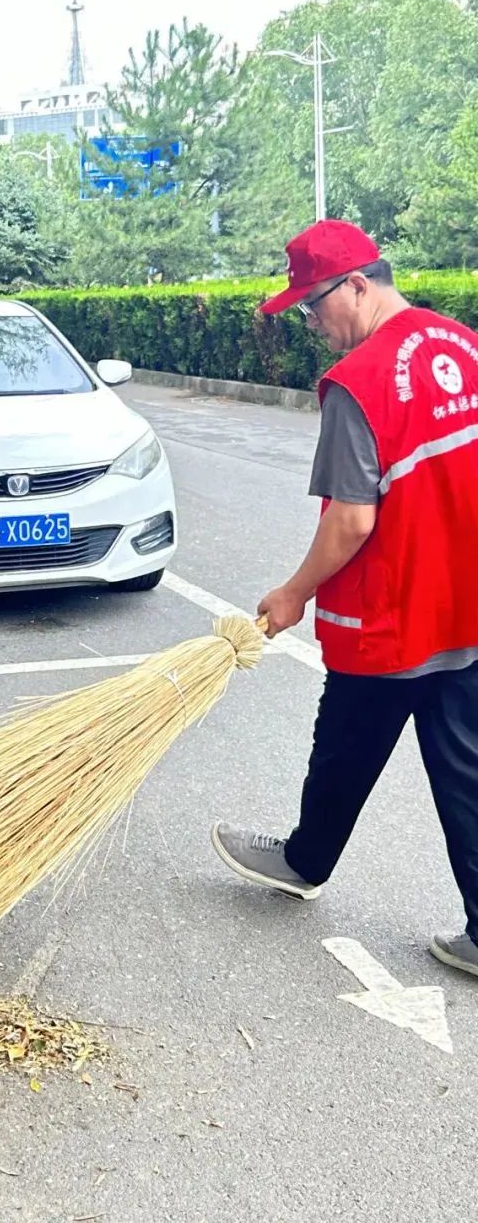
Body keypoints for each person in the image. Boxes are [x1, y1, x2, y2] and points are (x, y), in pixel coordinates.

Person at [211, 218, 478, 979]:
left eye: (311, 305)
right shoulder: (460, 342)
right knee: (464, 765)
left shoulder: (356, 385)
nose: (311, 323)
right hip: (465, 607)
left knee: (345, 742)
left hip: (392, 614)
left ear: (356, 285)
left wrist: (293, 593)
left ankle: (304, 860)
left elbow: (353, 519)